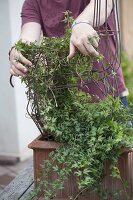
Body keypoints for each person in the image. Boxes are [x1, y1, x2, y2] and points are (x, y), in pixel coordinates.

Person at [9, 0, 129, 105]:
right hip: (68, 103)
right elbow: (28, 37)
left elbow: (104, 4)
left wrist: (82, 23)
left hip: (111, 96)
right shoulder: (33, 3)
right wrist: (20, 50)